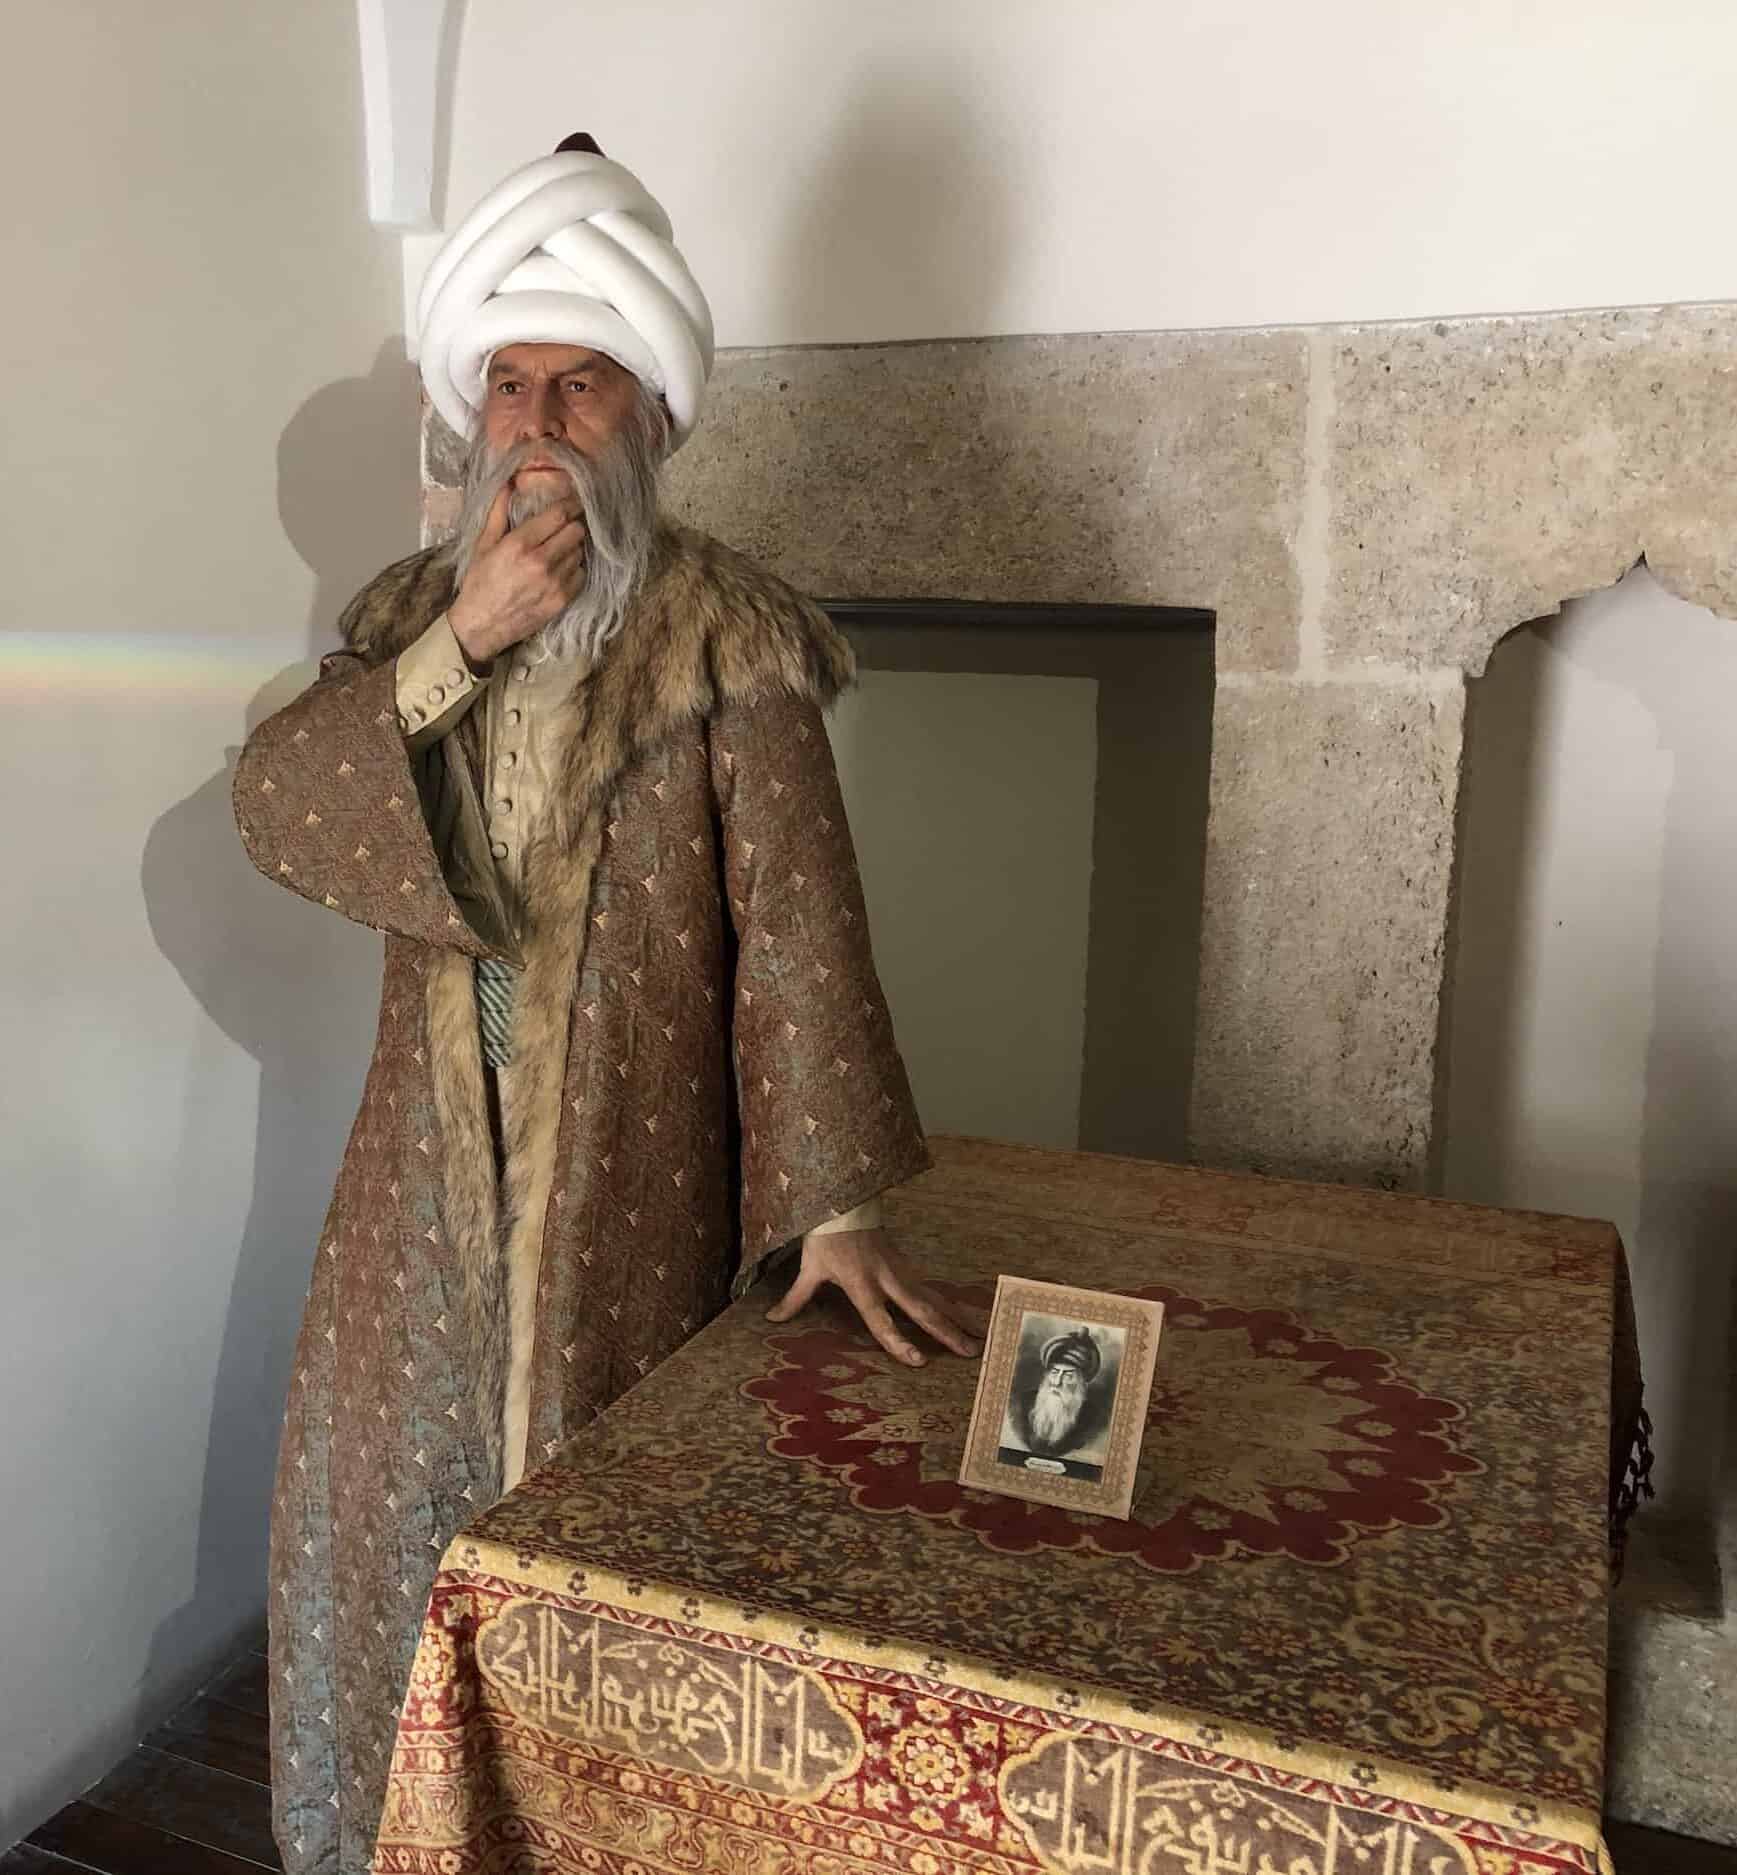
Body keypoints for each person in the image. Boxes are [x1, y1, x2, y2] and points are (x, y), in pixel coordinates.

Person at [233, 135, 978, 1873]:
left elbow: (795, 927)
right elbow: (286, 806)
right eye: (512, 383)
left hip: (630, 1185)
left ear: (648, 411)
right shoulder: (410, 616)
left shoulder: (731, 636)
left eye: (583, 381)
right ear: (472, 412)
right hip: (415, 1188)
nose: (543, 420)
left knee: (601, 1544)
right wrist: (472, 633)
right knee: (386, 1525)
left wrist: (836, 1201)